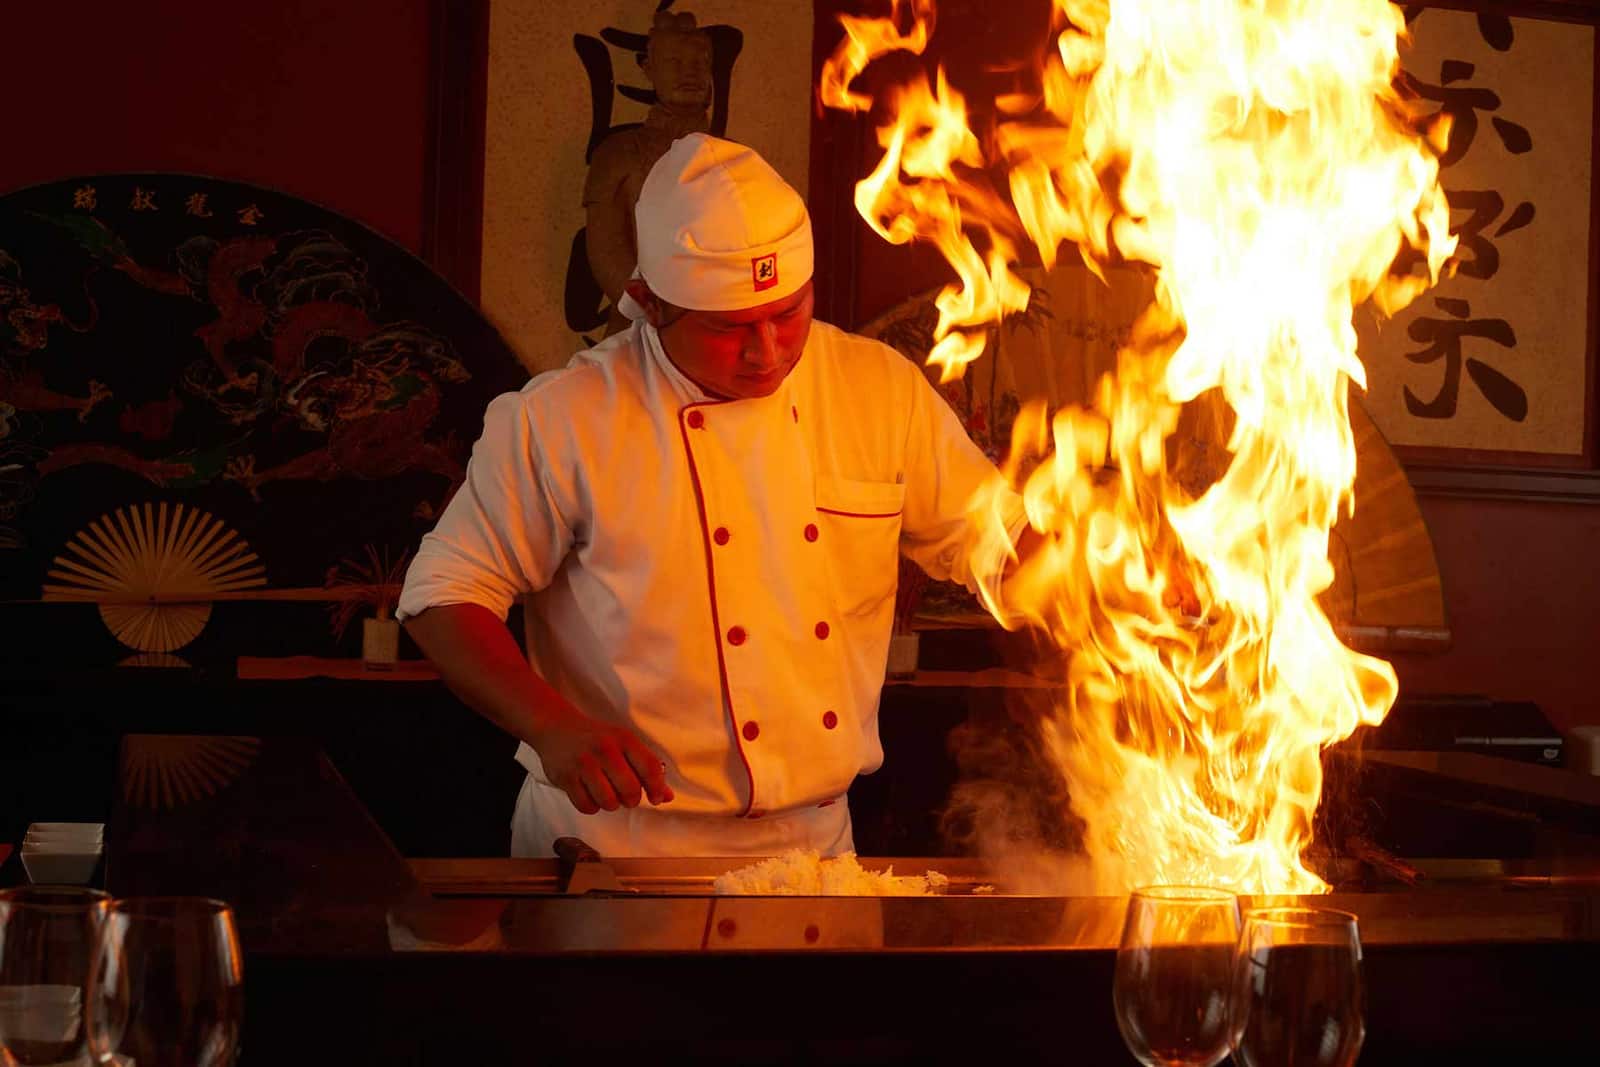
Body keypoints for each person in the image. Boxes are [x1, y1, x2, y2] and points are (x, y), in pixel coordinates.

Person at [399, 133, 1023, 859]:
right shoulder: (564, 418)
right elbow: (443, 596)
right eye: (729, 328)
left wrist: (1102, 588)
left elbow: (997, 540)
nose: (768, 351)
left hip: (812, 850)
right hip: (616, 846)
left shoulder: (877, 391)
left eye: (788, 312)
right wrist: (552, 726)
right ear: (648, 303)